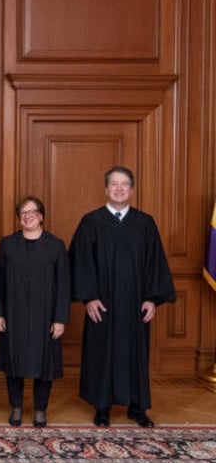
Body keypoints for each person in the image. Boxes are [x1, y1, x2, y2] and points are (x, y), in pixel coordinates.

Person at [70, 166, 176, 428]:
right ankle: (102, 406)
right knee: (101, 353)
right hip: (102, 304)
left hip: (134, 303)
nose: (119, 188)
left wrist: (152, 299)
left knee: (135, 352)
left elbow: (155, 264)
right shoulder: (91, 222)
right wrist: (89, 297)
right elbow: (80, 262)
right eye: (114, 184)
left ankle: (137, 407)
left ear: (131, 189)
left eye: (125, 184)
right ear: (106, 189)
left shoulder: (145, 223)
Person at [0, 196, 69, 428]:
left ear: (41, 216)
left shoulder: (56, 245)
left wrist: (60, 319)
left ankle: (39, 409)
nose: (28, 216)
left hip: (45, 316)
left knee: (44, 365)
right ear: (19, 218)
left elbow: (64, 285)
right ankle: (16, 407)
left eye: (33, 211)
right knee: (13, 364)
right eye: (23, 212)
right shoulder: (8, 244)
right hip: (13, 315)